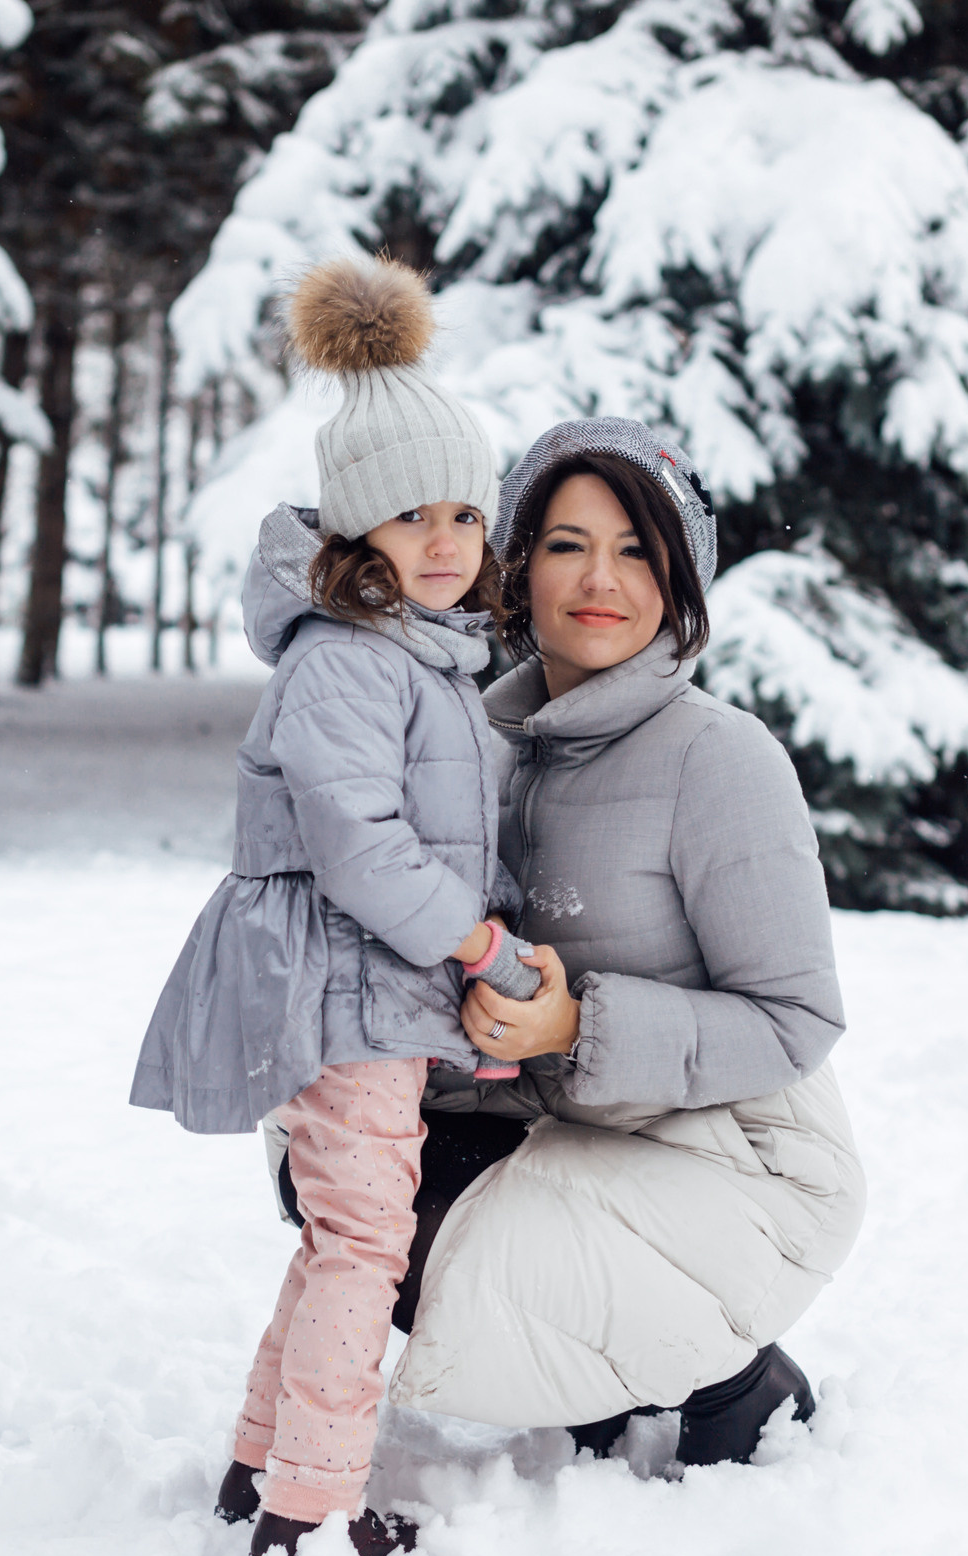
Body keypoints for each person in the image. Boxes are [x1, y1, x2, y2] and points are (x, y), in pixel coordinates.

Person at [267, 417, 865, 1469]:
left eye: (638, 550)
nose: (602, 578)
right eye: (565, 544)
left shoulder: (719, 759)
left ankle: (733, 1388)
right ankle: (602, 1367)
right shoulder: (470, 740)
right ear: (517, 567)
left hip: (735, 1152)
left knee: (451, 1241)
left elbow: (797, 1021)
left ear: (680, 581)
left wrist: (573, 1023)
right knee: (336, 1164)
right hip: (566, 1122)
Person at [128, 254, 518, 1556]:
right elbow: (362, 845)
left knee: (335, 1235)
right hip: (335, 986)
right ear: (357, 533)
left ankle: (260, 1468)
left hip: (365, 985)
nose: (451, 542)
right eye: (417, 518)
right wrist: (476, 942)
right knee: (364, 1241)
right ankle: (310, 1510)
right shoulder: (351, 660)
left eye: (469, 513)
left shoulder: (414, 653)